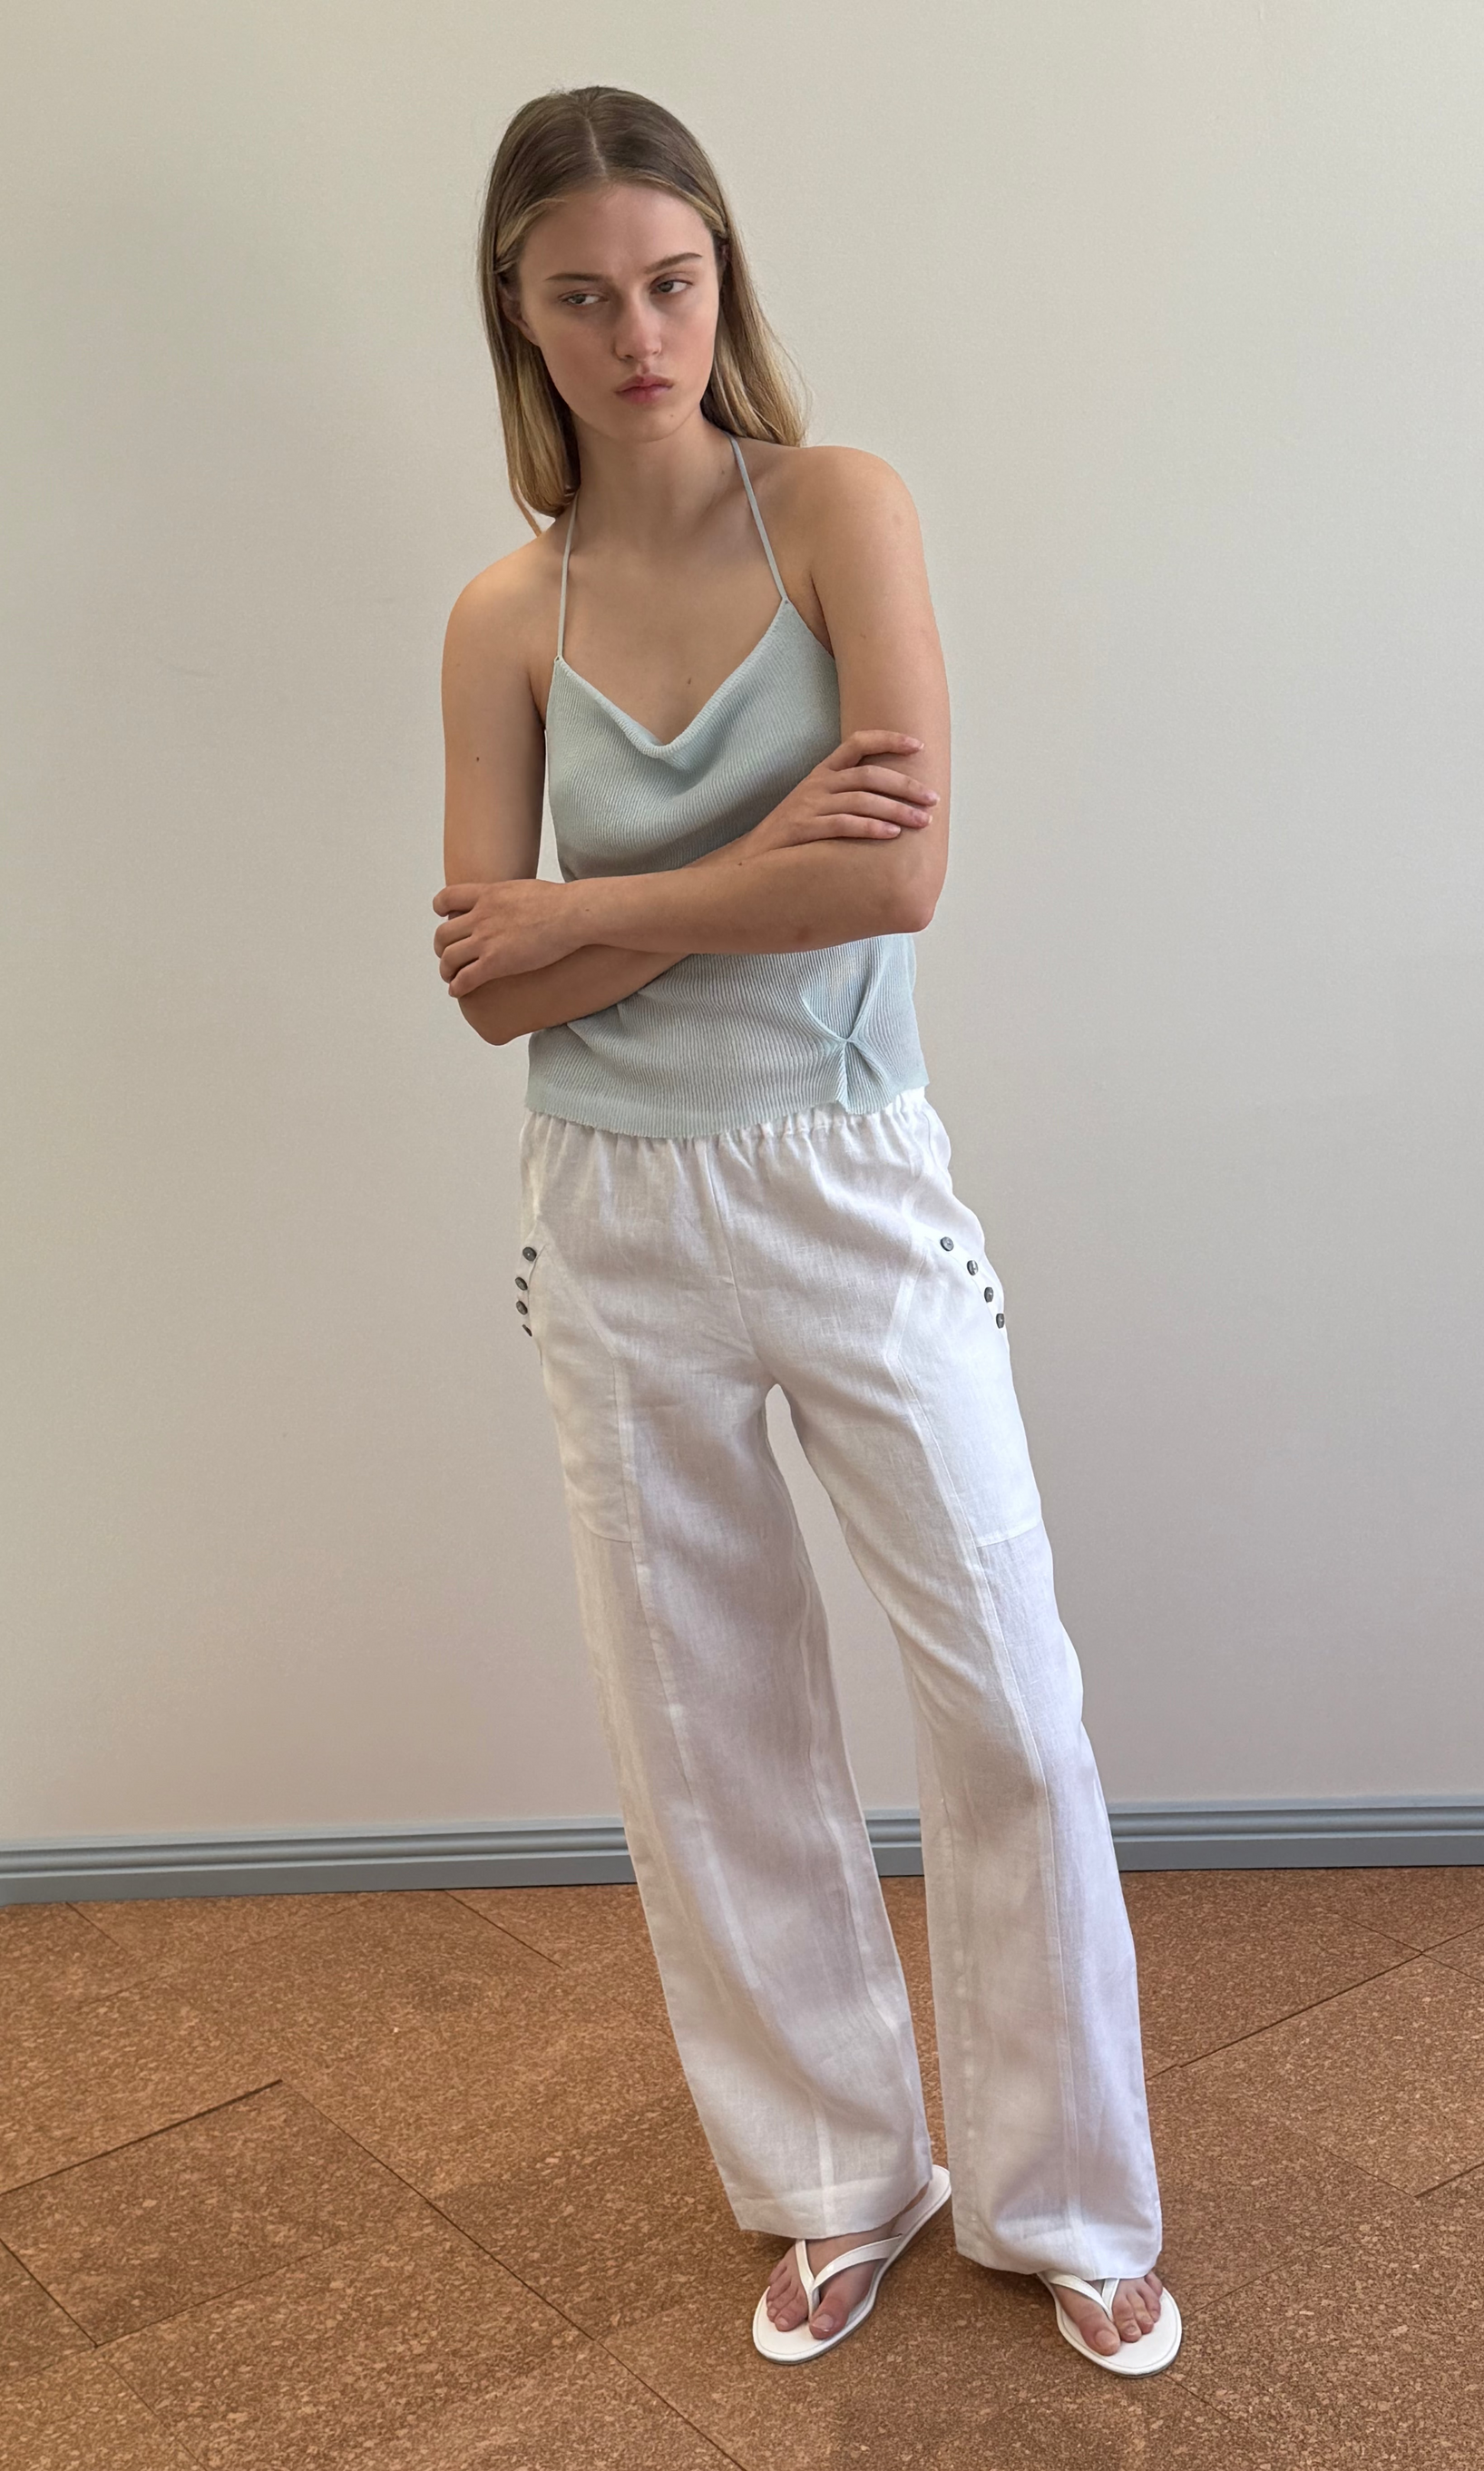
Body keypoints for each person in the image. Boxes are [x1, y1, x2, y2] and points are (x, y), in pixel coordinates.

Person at [433, 83, 1179, 2377]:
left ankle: (1063, 2201)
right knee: (702, 1723)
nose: (638, 331)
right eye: (583, 297)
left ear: (721, 277)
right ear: (521, 320)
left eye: (671, 281)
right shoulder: (500, 613)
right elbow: (478, 984)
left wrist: (600, 909)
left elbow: (899, 874)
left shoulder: (839, 508)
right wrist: (718, 891)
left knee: (1009, 1701)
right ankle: (837, 2178)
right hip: (609, 1213)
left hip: (847, 1173)